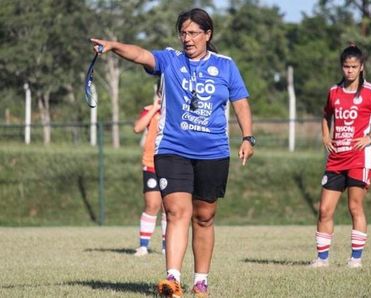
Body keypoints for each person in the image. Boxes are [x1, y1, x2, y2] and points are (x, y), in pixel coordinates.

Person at [91, 7, 254, 298]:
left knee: (204, 216)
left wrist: (248, 137)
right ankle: (172, 279)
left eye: (193, 33)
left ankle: (201, 281)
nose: (187, 39)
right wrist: (114, 46)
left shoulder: (226, 66)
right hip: (172, 150)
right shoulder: (170, 60)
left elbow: (240, 101)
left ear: (208, 34)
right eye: (183, 33)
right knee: (177, 211)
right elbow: (141, 54)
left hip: (214, 152)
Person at [310, 45, 371, 269]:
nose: (349, 71)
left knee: (355, 207)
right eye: (346, 66)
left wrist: (370, 137)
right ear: (342, 67)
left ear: (361, 67)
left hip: (360, 158)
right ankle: (322, 260)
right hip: (336, 159)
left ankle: (356, 259)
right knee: (324, 210)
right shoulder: (334, 92)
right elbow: (326, 115)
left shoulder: (370, 91)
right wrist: (325, 136)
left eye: (354, 67)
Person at [133, 80, 166, 257]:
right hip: (152, 164)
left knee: (170, 208)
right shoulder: (150, 110)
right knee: (152, 204)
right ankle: (143, 246)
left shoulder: (178, 109)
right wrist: (154, 109)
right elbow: (137, 128)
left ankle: (167, 247)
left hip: (173, 164)